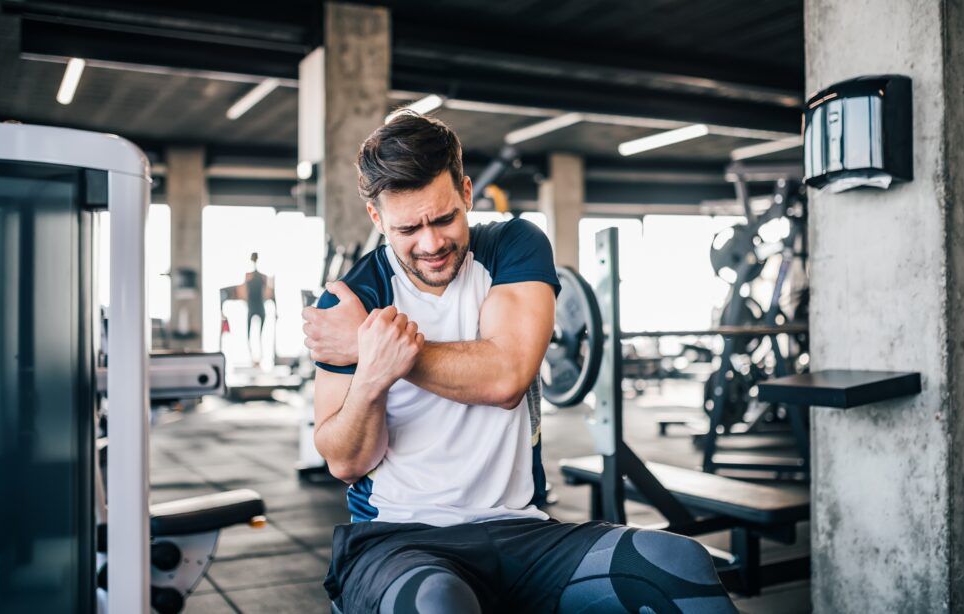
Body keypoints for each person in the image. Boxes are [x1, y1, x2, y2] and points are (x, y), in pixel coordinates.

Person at [301, 112, 735, 614]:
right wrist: (372, 373)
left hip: (522, 531)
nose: (431, 243)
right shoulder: (354, 299)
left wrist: (375, 348)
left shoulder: (513, 245)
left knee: (676, 565)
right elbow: (345, 460)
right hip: (398, 540)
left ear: (466, 192)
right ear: (377, 219)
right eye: (408, 228)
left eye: (444, 218)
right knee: (436, 603)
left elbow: (506, 376)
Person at [243, 252, 273, 366]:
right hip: (254, 306)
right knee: (251, 334)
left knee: (259, 335)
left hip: (258, 307)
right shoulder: (251, 276)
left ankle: (259, 358)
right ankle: (253, 358)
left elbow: (267, 293)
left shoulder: (261, 277)